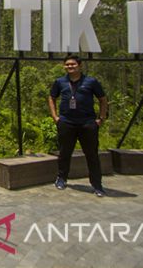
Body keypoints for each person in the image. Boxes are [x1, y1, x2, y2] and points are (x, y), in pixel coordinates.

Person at [48, 54, 109, 197]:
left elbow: (102, 99)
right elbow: (51, 97)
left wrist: (101, 117)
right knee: (64, 153)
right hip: (66, 123)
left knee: (92, 155)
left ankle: (97, 185)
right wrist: (55, 117)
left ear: (79, 66)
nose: (70, 67)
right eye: (67, 64)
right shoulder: (60, 82)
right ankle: (61, 178)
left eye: (73, 64)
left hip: (87, 123)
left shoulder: (91, 81)